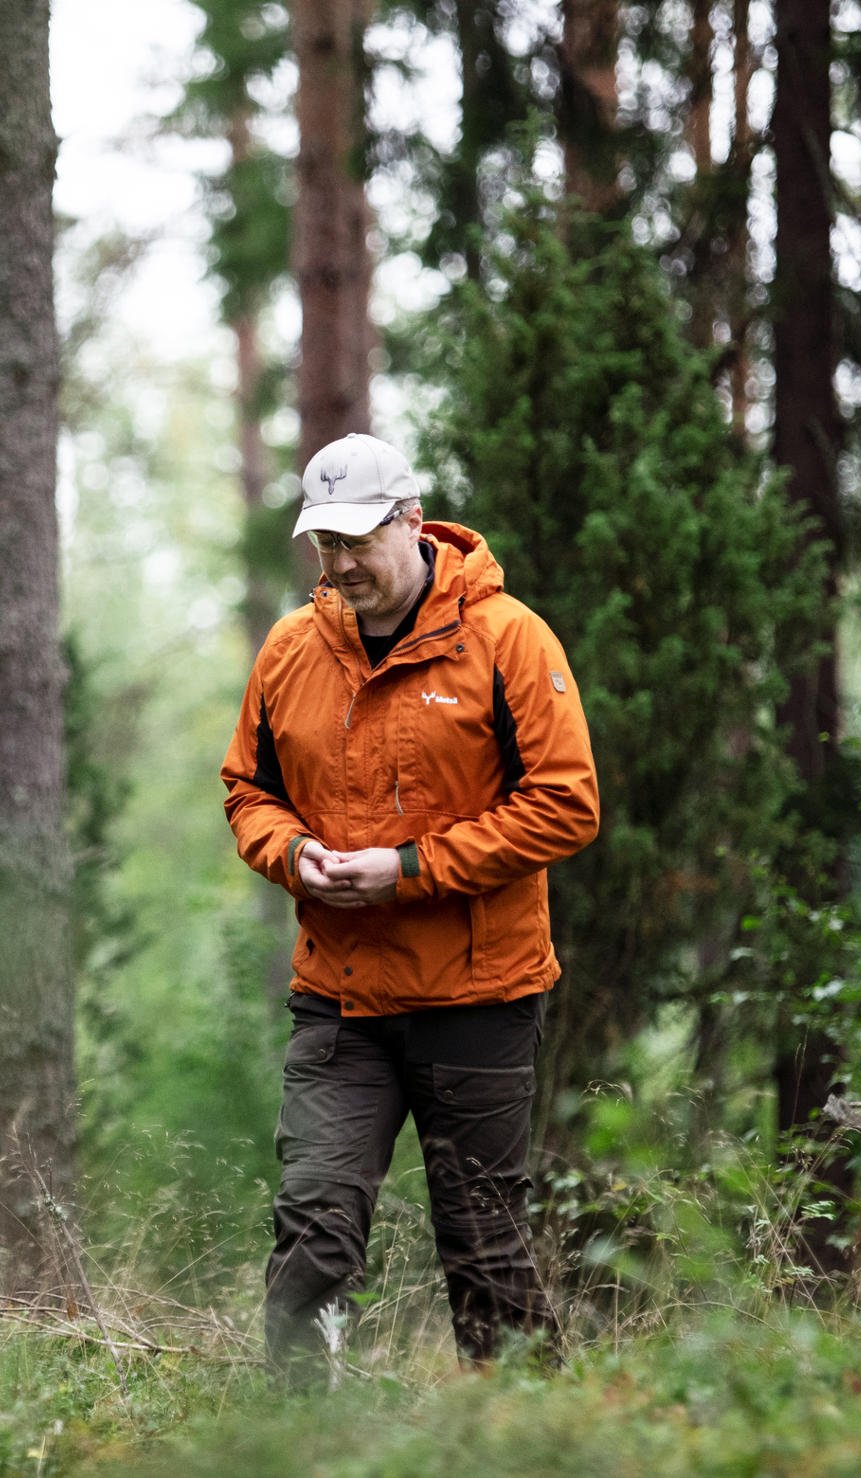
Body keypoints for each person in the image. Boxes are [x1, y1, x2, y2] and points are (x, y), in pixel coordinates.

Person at [221, 432, 600, 1376]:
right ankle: (297, 1440)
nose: (341, 565)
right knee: (312, 1230)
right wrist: (291, 853)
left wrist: (410, 867)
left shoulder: (511, 638)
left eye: (358, 541)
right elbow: (247, 791)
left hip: (480, 996)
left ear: (411, 522)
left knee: (483, 1250)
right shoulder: (290, 650)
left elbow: (567, 804)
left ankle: (530, 1440)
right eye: (325, 546)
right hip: (341, 1001)